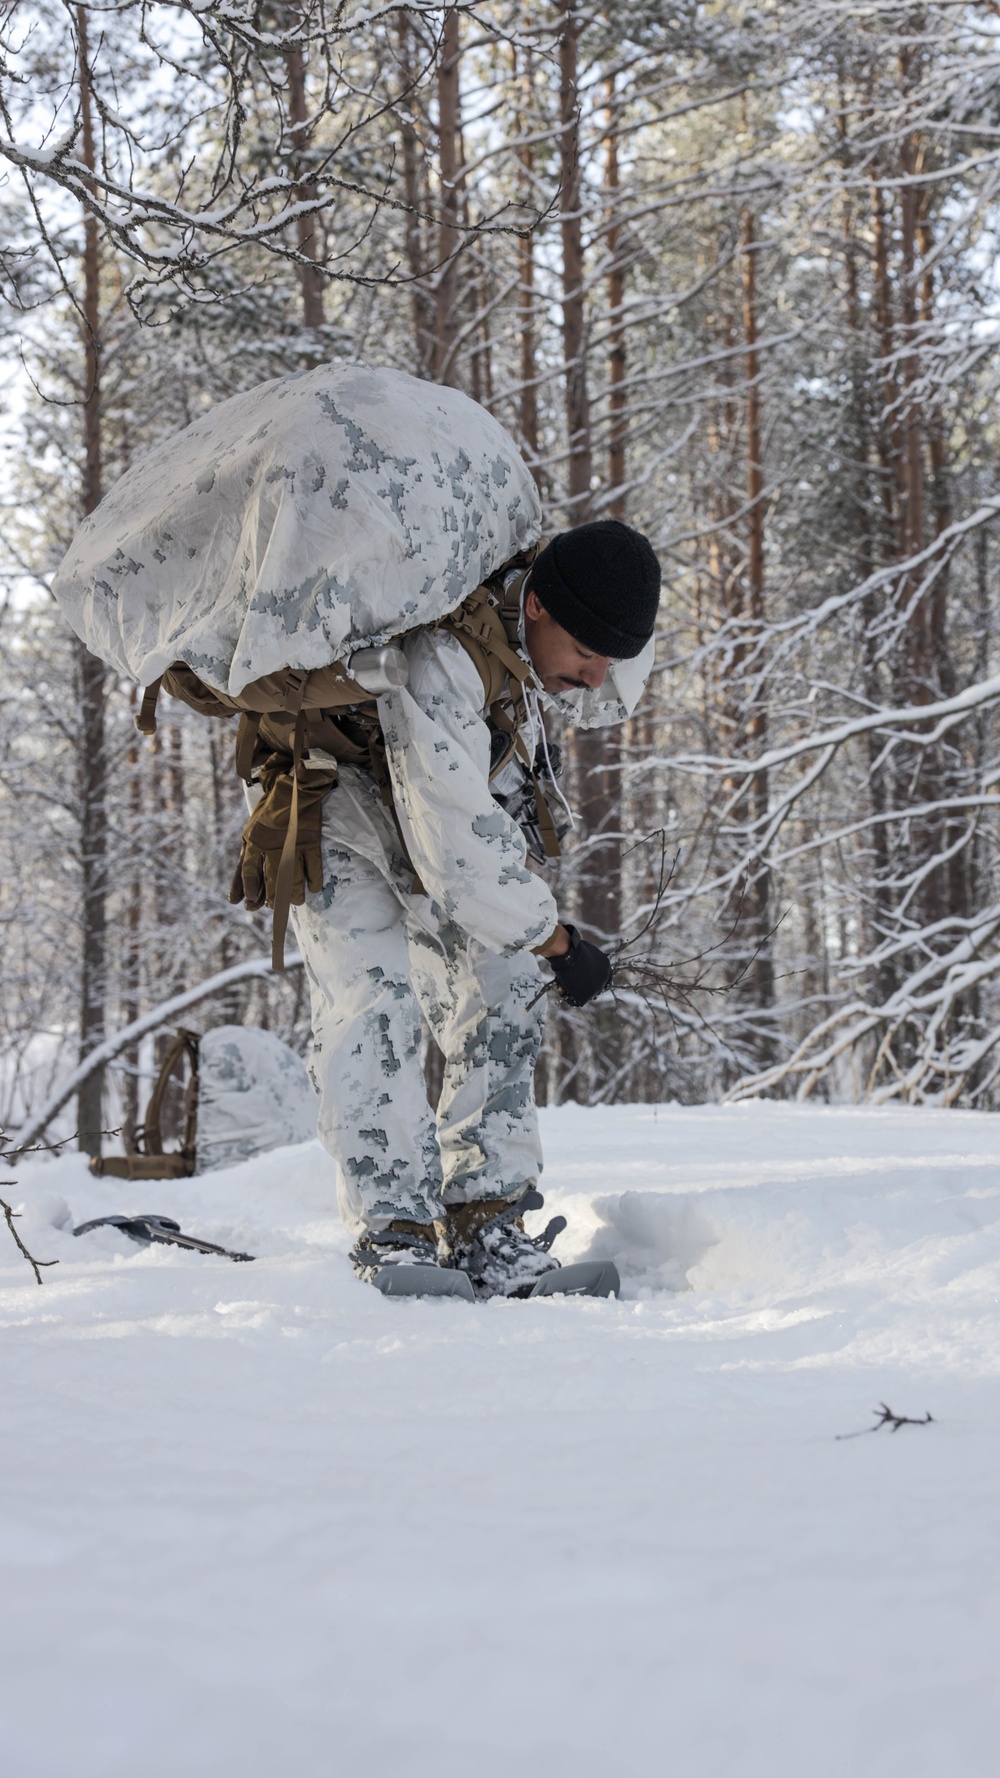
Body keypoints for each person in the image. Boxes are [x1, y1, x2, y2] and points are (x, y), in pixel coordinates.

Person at [287, 516, 661, 1298]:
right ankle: (392, 1229)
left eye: (611, 661)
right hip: (339, 813)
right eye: (587, 654)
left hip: (428, 823)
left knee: (501, 987)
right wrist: (557, 942)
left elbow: (476, 829)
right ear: (537, 609)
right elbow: (456, 850)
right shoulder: (443, 657)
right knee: (371, 1006)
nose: (595, 679)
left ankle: (487, 1219)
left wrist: (533, 944)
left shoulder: (525, 658)